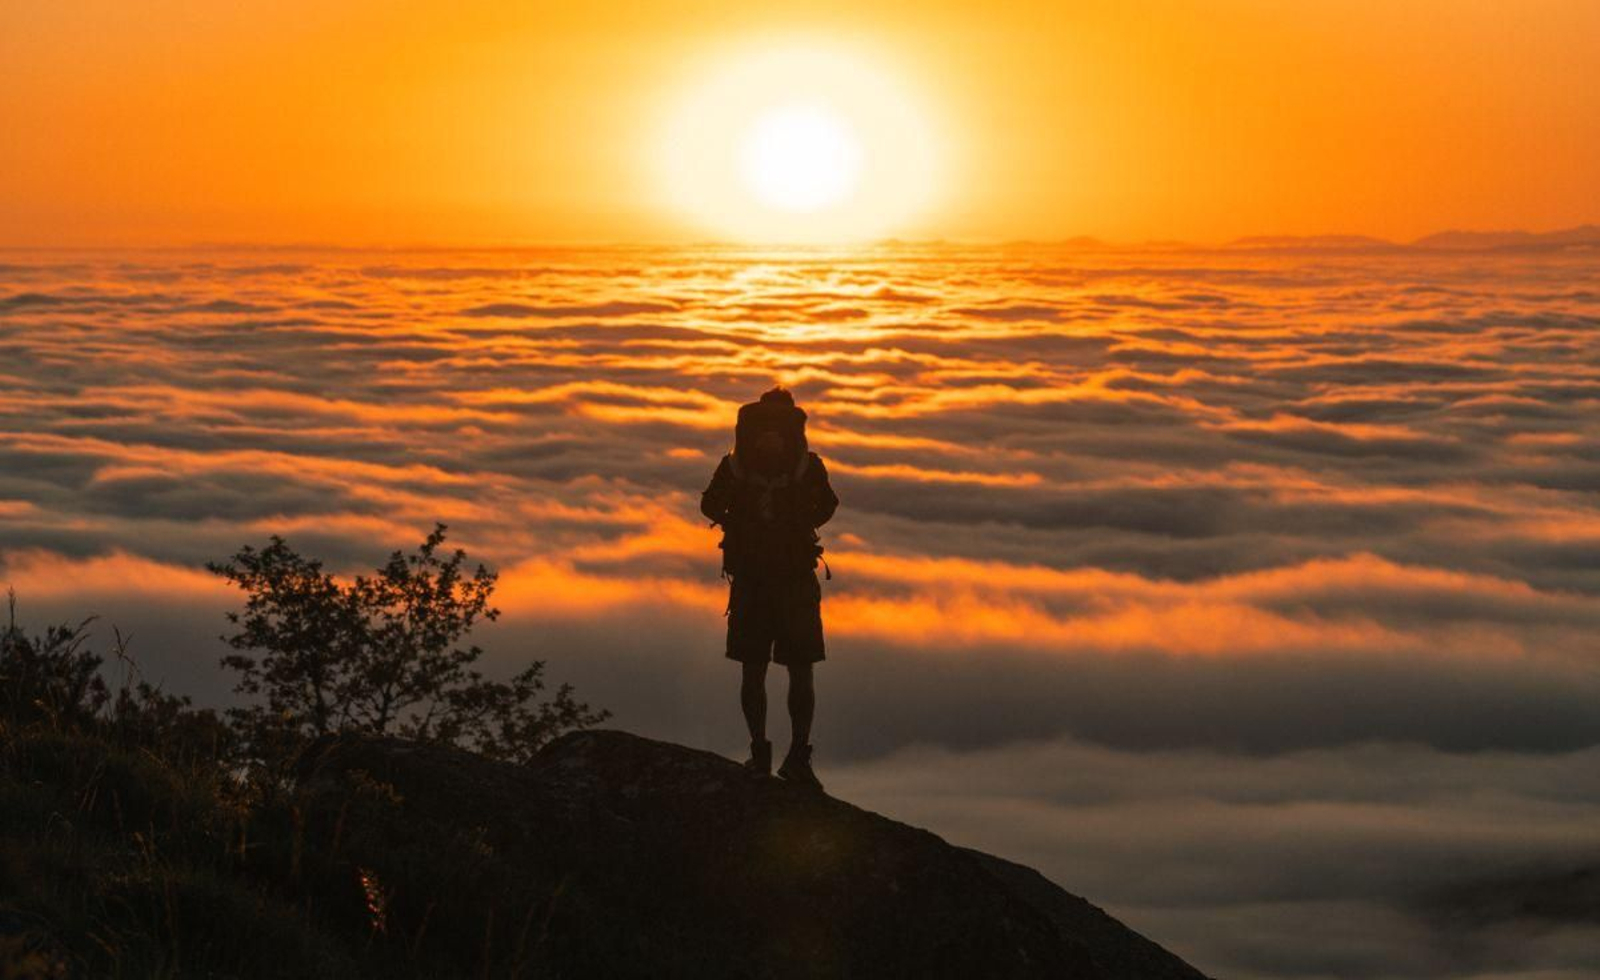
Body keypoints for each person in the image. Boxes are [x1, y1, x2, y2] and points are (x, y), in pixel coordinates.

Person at [700, 386, 838, 790]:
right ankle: (798, 756)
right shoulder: (807, 466)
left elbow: (709, 505)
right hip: (794, 579)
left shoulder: (736, 465)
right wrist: (797, 522)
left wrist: (739, 521)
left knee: (753, 668)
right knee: (801, 669)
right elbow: (828, 505)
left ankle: (759, 752)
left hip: (751, 580)